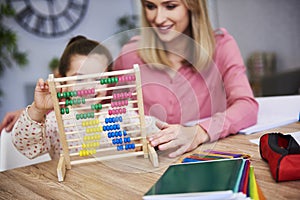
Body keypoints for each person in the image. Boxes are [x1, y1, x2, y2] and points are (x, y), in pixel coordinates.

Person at [113, 0, 258, 158]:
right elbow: (110, 113)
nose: (158, 18)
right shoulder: (129, 55)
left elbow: (247, 106)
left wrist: (199, 132)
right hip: (146, 164)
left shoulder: (222, 46)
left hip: (207, 159)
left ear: (193, 5)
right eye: (150, 6)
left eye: (170, 6)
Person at [11, 35, 114, 159]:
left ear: (109, 79)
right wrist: (37, 110)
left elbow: (143, 128)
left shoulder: (118, 114)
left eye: (98, 78)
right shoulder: (56, 121)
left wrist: (143, 140)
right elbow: (25, 145)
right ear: (63, 80)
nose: (89, 86)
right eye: (80, 79)